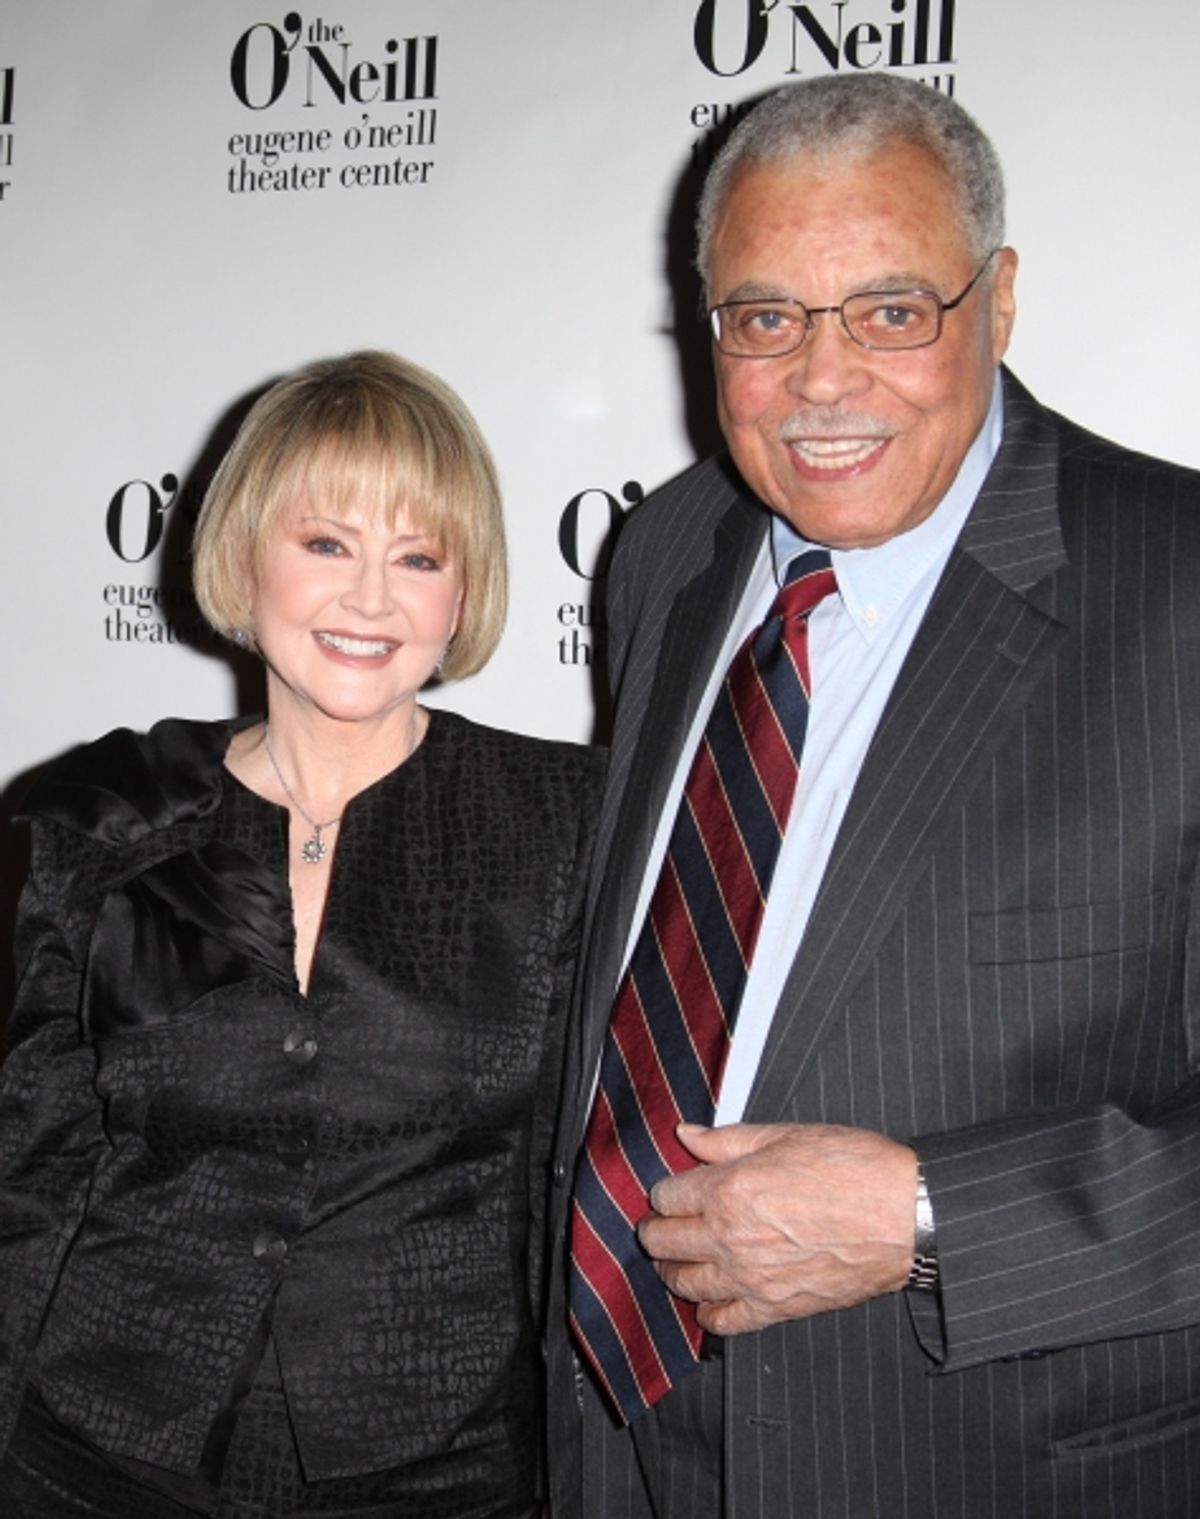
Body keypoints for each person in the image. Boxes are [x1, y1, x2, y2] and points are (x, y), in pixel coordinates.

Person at [545, 72, 1200, 1519]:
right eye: (766, 318)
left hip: (975, 1457)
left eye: (893, 311)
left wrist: (924, 1215)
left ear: (1000, 300)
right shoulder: (671, 549)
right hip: (612, 1439)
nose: (823, 379)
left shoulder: (1182, 588)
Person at [0, 349, 604, 1518]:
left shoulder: (560, 822)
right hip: (98, 1449)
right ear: (243, 555)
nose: (371, 599)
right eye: (327, 543)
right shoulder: (120, 813)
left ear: (463, 594)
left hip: (440, 1464)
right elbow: (36, 1159)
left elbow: (569, 1173)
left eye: (419, 557)